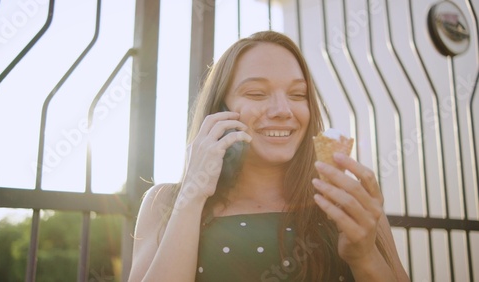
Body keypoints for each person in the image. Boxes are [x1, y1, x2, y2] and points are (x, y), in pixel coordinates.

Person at [128, 31, 409, 282]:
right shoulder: (164, 202)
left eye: (298, 94)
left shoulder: (350, 203)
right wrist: (192, 195)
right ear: (221, 107)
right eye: (257, 93)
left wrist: (365, 258)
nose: (282, 110)